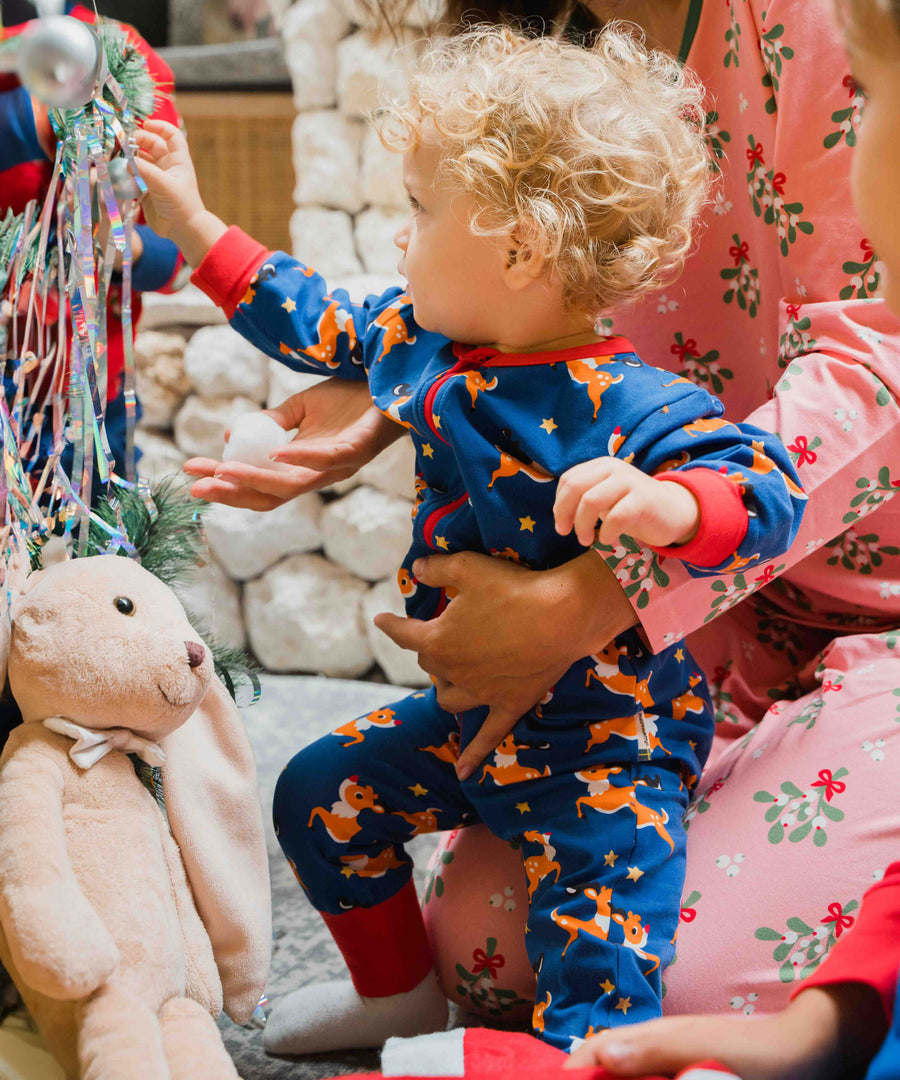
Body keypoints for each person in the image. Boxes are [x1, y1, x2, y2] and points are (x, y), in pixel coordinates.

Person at [135, 25, 806, 1054]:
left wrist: (670, 508)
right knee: (318, 794)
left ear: (519, 246)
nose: (400, 239)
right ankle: (396, 995)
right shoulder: (424, 340)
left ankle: (580, 1056)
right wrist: (190, 217)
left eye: (418, 209)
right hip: (466, 712)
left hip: (608, 745)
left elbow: (765, 491)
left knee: (600, 947)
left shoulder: (630, 402)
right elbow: (308, 313)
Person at [561, 0, 900, 1076]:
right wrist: (386, 384)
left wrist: (606, 592)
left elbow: (878, 353)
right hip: (725, 603)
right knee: (505, 933)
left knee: (673, 977)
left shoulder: (828, 26)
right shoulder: (547, 46)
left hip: (842, 604)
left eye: (876, 97)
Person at [0, 1, 187, 481]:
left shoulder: (123, 49)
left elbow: (172, 251)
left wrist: (121, 243)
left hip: (96, 390)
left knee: (111, 541)